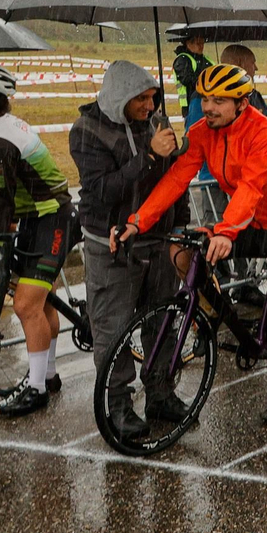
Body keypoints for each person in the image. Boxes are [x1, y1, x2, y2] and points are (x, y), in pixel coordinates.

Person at [115, 64, 267, 422]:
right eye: (205, 98)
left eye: (219, 101)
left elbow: (251, 187)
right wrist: (137, 221)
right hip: (249, 222)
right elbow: (176, 179)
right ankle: (213, 312)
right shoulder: (202, 132)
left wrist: (225, 231)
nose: (208, 107)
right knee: (181, 251)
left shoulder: (266, 133)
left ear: (242, 104)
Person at [57, 62, 185, 434]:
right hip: (110, 246)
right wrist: (149, 156)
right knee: (112, 330)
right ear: (120, 96)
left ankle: (160, 392)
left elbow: (175, 180)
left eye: (153, 97)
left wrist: (179, 227)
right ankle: (118, 405)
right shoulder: (86, 130)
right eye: (141, 99)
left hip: (158, 241)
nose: (149, 106)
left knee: (162, 322)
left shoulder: (156, 122)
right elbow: (103, 190)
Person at [0, 69, 74, 417]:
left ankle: (37, 389)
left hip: (52, 218)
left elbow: (1, 202)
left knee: (27, 305)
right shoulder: (5, 127)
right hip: (37, 216)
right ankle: (48, 374)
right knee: (42, 305)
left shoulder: (1, 140)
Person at [219, 44, 267, 121]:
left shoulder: (255, 96)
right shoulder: (217, 99)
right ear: (239, 65)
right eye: (252, 63)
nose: (256, 68)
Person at [171, 31, 212, 138]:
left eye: (202, 43)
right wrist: (207, 83)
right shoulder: (182, 60)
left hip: (210, 104)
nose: (201, 46)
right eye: (198, 43)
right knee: (193, 136)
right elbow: (187, 79)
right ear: (188, 43)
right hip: (191, 105)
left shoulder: (208, 60)